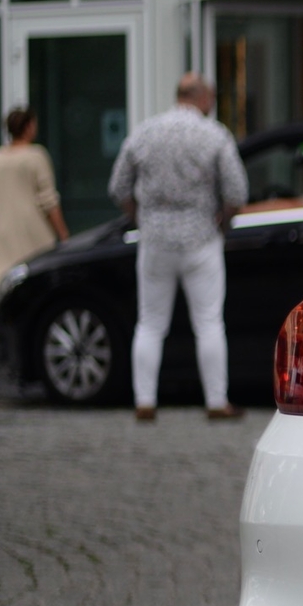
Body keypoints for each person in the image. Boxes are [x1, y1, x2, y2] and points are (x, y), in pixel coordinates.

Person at [107, 74, 245, 422]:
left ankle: (145, 401)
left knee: (150, 323)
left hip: (155, 240)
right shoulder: (214, 134)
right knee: (210, 322)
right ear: (201, 97)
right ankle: (216, 402)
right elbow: (237, 193)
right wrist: (222, 223)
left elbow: (118, 186)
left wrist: (142, 217)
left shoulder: (145, 131)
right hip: (201, 238)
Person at [0, 105, 68, 350]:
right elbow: (48, 200)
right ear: (28, 127)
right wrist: (63, 235)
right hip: (32, 233)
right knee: (35, 288)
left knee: (2, 288)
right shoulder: (36, 156)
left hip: (1, 234)